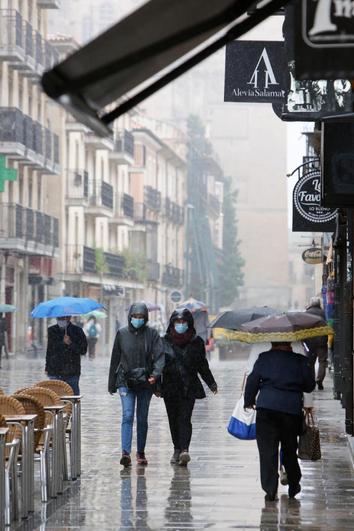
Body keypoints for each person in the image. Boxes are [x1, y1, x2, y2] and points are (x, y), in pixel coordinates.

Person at [244, 341, 315, 501]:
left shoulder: (264, 358)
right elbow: (309, 386)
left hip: (266, 409)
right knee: (290, 450)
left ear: (272, 343)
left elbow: (253, 380)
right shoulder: (300, 360)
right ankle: (294, 483)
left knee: (268, 451)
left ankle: (270, 489)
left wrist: (249, 401)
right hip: (291, 410)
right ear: (289, 344)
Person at [108, 302, 164, 467]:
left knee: (142, 418)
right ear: (130, 317)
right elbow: (115, 359)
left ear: (145, 318)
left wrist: (155, 375)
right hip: (125, 381)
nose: (137, 319)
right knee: (127, 415)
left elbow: (160, 357)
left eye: (141, 317)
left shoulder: (152, 334)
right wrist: (112, 383)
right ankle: (125, 452)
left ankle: (140, 452)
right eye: (135, 317)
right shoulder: (122, 334)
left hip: (146, 382)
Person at [161, 308, 218, 466]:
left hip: (189, 386)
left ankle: (185, 449)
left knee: (185, 418)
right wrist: (156, 386)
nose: (180, 325)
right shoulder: (164, 341)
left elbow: (202, 365)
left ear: (189, 323)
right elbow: (158, 365)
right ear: (172, 323)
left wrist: (211, 383)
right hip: (170, 387)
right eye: (177, 322)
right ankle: (177, 449)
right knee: (173, 419)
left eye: (183, 322)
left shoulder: (197, 342)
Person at [45, 315, 88, 394]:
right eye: (58, 318)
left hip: (72, 371)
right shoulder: (52, 330)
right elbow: (50, 350)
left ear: (69, 317)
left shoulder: (78, 331)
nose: (60, 320)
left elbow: (83, 350)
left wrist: (70, 343)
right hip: (55, 371)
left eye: (63, 318)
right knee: (55, 398)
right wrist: (47, 367)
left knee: (73, 397)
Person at [303, 297, 328, 390]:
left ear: (311, 303)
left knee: (310, 362)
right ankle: (320, 379)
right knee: (322, 361)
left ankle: (312, 381)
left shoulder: (306, 313)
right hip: (321, 341)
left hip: (310, 342)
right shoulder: (322, 312)